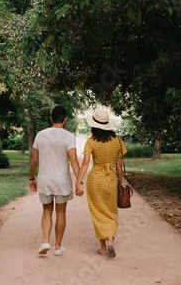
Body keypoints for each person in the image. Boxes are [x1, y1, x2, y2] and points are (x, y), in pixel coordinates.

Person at [75, 109, 127, 258]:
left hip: (96, 180)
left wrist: (78, 183)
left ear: (94, 126)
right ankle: (110, 241)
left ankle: (103, 248)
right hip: (111, 179)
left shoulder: (91, 141)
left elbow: (85, 164)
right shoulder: (117, 141)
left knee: (98, 212)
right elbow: (118, 165)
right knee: (111, 212)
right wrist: (120, 181)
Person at [29, 105, 80, 256]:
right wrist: (78, 181)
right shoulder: (69, 136)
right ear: (65, 120)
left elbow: (34, 161)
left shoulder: (40, 135)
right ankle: (57, 247)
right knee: (61, 212)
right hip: (62, 181)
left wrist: (32, 178)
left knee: (46, 210)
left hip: (45, 180)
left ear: (51, 119)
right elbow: (74, 160)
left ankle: (45, 241)